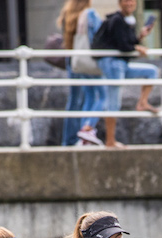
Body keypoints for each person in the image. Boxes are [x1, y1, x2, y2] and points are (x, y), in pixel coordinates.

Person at [93, 0, 159, 148]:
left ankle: (142, 102)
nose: (129, 3)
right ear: (120, 3)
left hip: (122, 64)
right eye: (126, 1)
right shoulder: (117, 20)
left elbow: (126, 43)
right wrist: (137, 47)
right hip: (113, 64)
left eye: (132, 1)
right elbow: (123, 46)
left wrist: (140, 37)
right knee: (113, 102)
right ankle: (110, 140)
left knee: (152, 71)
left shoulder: (127, 20)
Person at [58, 0, 105, 147]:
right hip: (87, 61)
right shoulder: (89, 14)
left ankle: (70, 140)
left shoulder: (67, 14)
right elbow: (97, 39)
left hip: (73, 61)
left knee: (75, 101)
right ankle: (85, 131)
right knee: (99, 96)